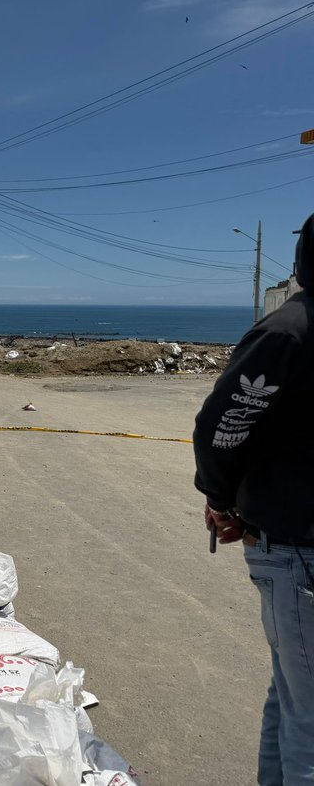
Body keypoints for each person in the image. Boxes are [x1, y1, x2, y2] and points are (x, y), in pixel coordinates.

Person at [194, 211, 314, 785]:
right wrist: (222, 498)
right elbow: (224, 422)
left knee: (294, 701)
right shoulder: (289, 331)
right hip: (298, 550)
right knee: (309, 719)